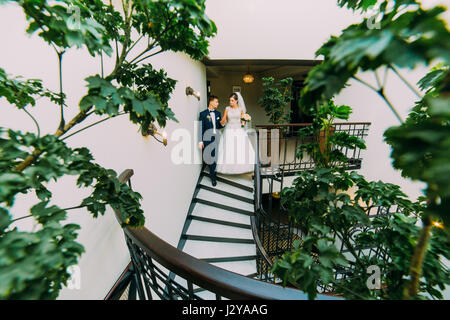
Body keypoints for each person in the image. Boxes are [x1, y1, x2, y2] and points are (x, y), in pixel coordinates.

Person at [216, 92, 256, 174]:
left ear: (237, 101)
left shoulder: (241, 109)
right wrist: (222, 121)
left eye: (232, 100)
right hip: (229, 130)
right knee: (229, 148)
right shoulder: (227, 109)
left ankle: (242, 167)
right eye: (230, 100)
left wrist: (245, 121)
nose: (230, 102)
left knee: (240, 148)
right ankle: (228, 168)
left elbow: (242, 122)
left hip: (239, 130)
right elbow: (224, 120)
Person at [198, 95, 224, 186]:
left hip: (216, 137)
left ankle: (213, 175)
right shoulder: (203, 114)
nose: (218, 103)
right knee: (210, 158)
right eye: (216, 101)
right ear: (211, 102)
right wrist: (200, 141)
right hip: (207, 138)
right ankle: (212, 174)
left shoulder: (218, 114)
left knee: (215, 157)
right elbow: (200, 128)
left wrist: (223, 123)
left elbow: (220, 126)